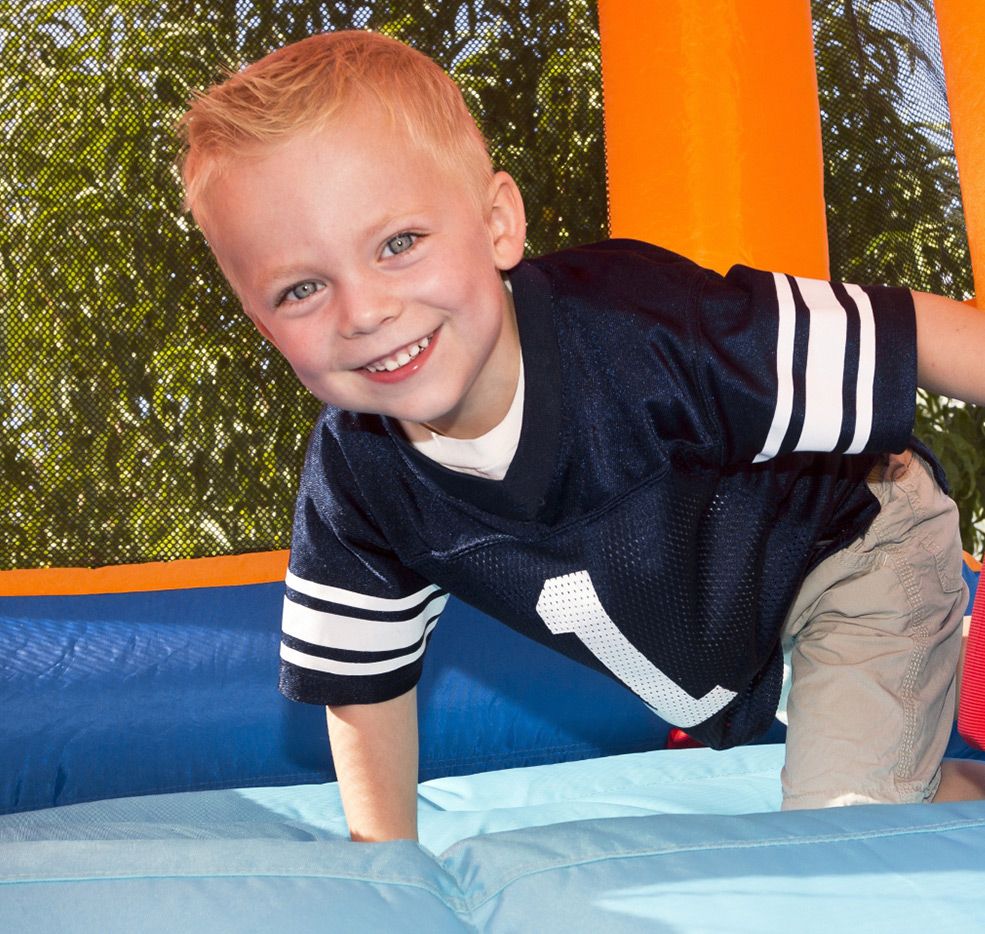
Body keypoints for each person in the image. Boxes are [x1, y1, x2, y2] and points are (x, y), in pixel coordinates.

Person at [178, 30, 985, 842]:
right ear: (262, 327)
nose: (362, 312)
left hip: (852, 547)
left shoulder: (643, 331)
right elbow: (364, 677)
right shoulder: (359, 474)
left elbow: (910, 334)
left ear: (498, 224)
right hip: (734, 626)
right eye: (302, 290)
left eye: (399, 244)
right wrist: (387, 863)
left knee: (838, 842)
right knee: (884, 785)